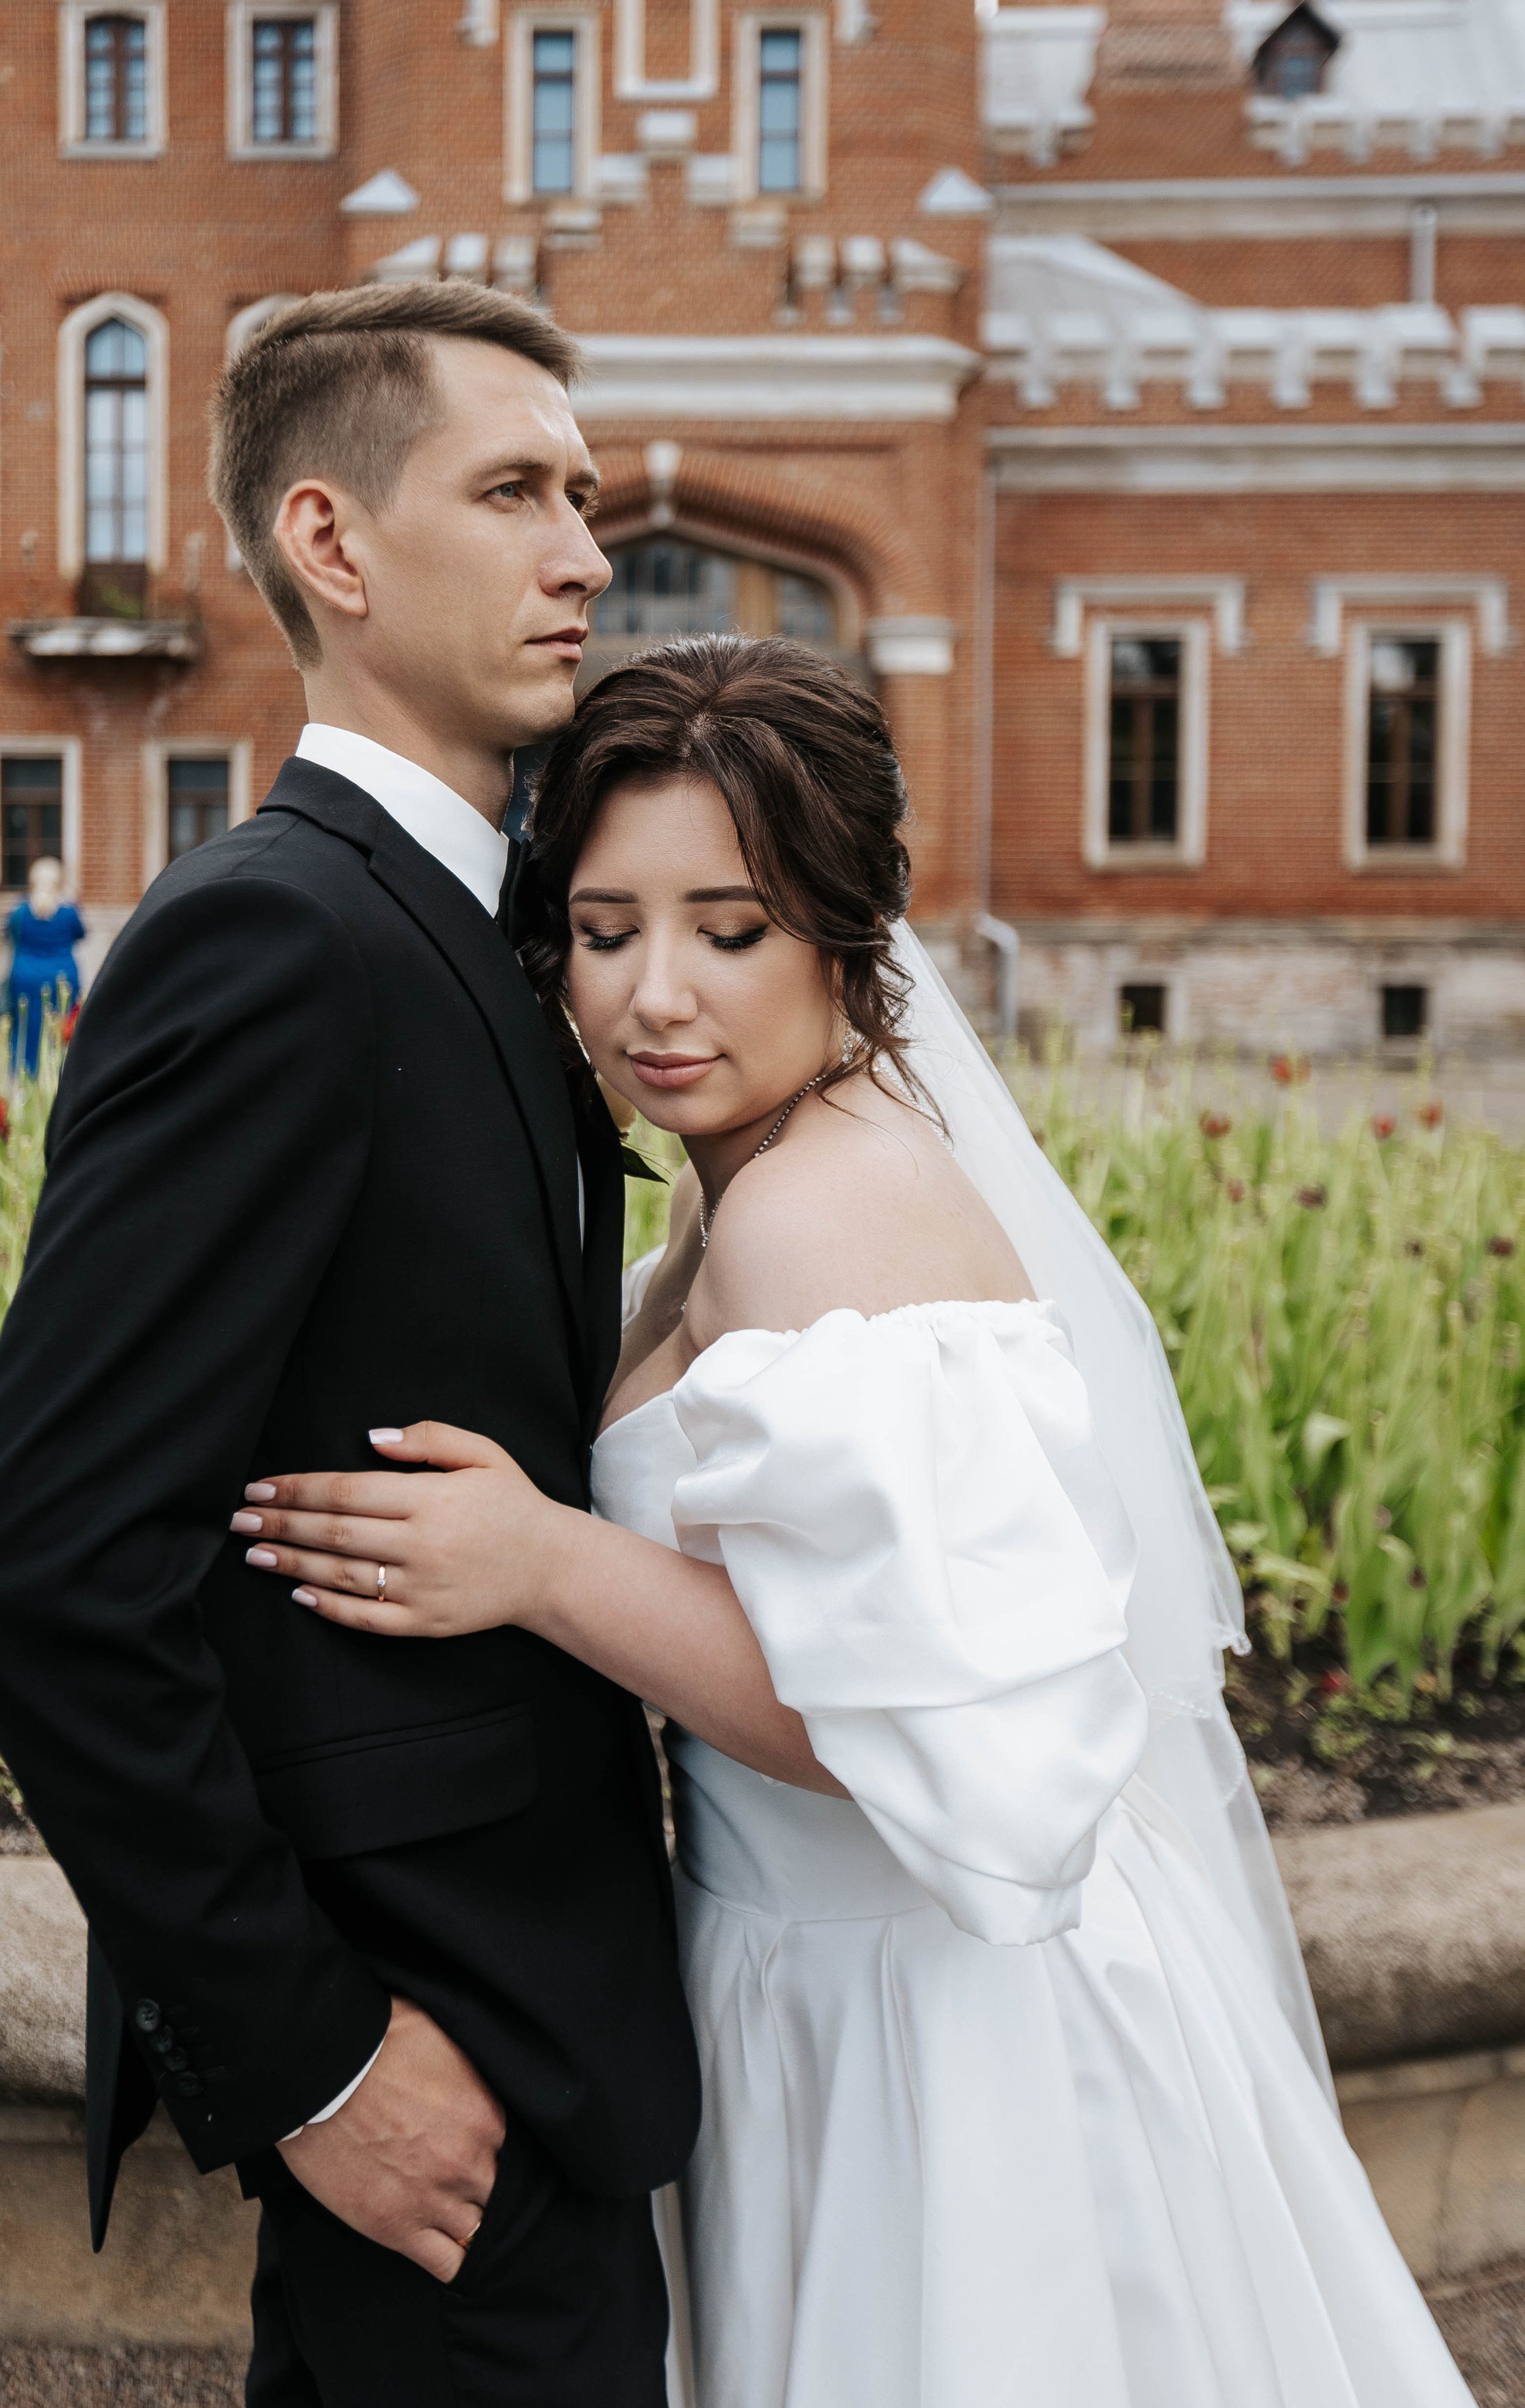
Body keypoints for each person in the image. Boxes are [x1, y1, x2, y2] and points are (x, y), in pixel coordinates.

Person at [239, 634, 1478, 2408]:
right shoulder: (752, 1182)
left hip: (928, 2016)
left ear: (845, 927)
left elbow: (900, 1714)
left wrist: (540, 1559)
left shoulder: (829, 1215)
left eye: (728, 931)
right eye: (605, 931)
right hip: (799, 1958)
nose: (657, 995)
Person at [0, 283, 699, 2408]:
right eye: (515, 490)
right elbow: (44, 1558)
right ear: (333, 543)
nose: (584, 550)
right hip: (425, 2043)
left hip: (548, 2004)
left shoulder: (465, 920)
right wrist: (318, 2058)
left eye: (583, 495)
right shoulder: (278, 936)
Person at [0, 854, 84, 1073]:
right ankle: (60, 1073)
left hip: (26, 977)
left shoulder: (20, 911)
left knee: (27, 1028)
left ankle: (26, 1074)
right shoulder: (68, 912)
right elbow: (81, 933)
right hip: (62, 976)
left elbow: (9, 934)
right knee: (63, 1030)